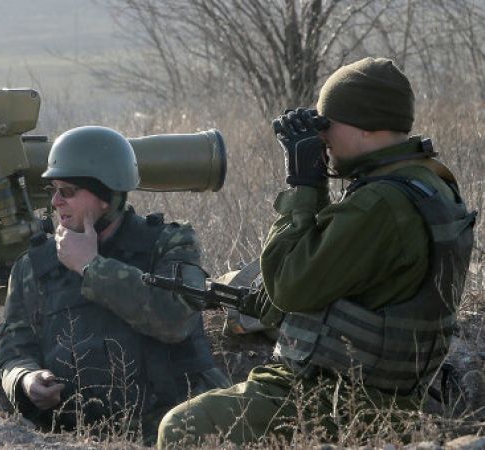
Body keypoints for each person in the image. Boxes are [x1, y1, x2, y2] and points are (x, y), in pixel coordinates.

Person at [157, 57, 476, 447]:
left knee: (182, 426)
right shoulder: (426, 182)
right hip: (393, 391)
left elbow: (288, 286)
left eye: (327, 124)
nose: (322, 136)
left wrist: (304, 187)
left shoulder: (379, 203)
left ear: (365, 126)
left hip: (342, 398)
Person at [0, 126, 229, 443]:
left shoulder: (168, 243)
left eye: (68, 191)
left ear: (105, 195)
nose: (55, 201)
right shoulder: (35, 265)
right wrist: (26, 379)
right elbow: (12, 349)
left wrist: (91, 267)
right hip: (74, 437)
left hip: (171, 432)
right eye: (53, 190)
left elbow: (175, 319)